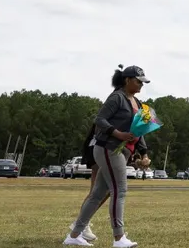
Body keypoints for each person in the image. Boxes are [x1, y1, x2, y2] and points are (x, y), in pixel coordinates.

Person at [64, 65, 151, 248]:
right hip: (108, 148)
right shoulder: (117, 97)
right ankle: (119, 238)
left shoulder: (137, 102)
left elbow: (139, 131)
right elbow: (100, 120)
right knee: (119, 191)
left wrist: (144, 153)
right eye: (138, 81)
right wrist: (118, 134)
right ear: (127, 80)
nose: (141, 85)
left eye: (143, 82)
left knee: (97, 194)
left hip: (121, 151)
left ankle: (74, 235)